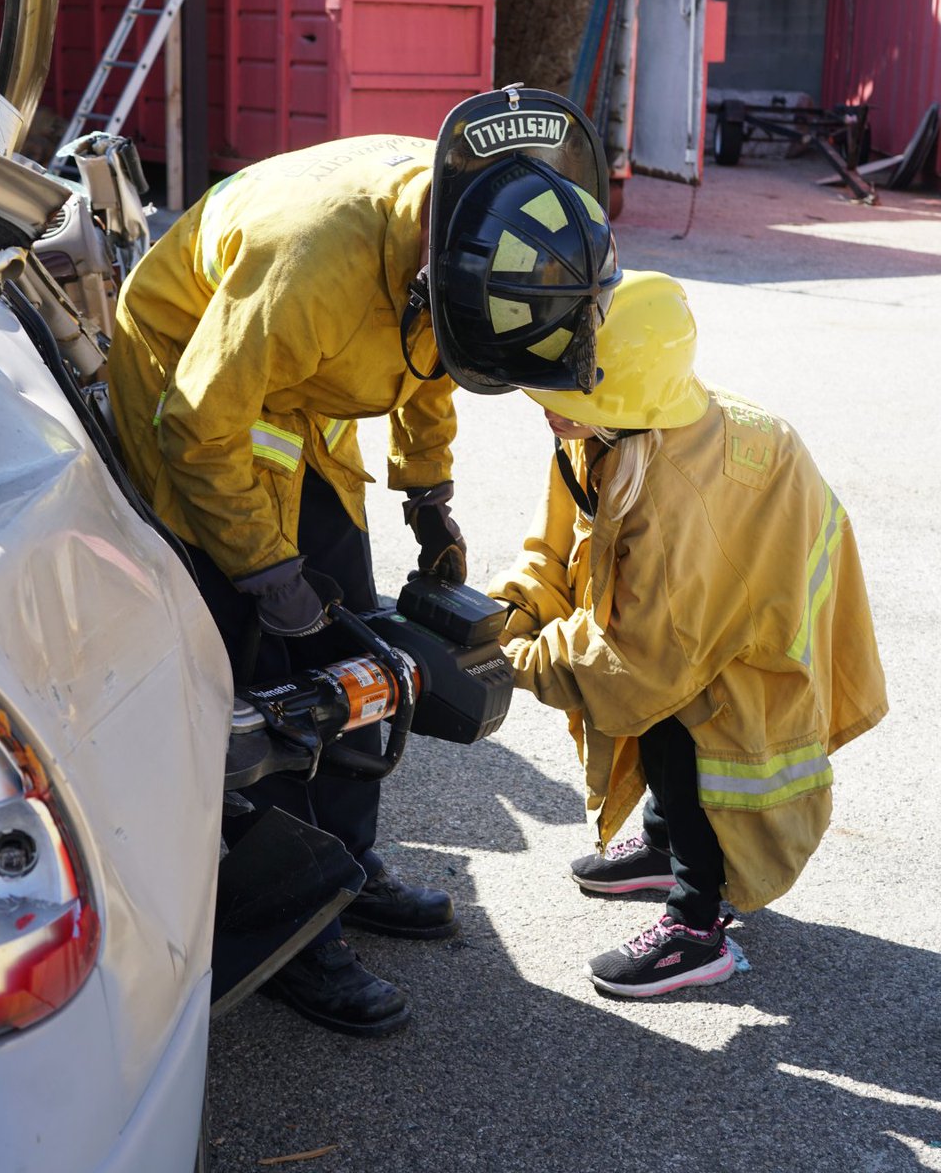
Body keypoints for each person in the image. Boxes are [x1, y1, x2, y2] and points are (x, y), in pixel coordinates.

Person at [105, 86, 621, 1035]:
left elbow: (433, 354)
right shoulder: (312, 265)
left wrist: (428, 497)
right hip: (196, 385)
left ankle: (346, 868)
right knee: (269, 679)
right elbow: (199, 425)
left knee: (355, 652)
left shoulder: (459, 225)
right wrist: (267, 574)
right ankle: (290, 929)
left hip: (302, 390)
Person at [488, 270, 888, 998]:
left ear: (620, 391)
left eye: (563, 396)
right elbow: (558, 545)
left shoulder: (673, 496)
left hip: (764, 601)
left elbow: (641, 661)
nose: (546, 409)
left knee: (690, 723)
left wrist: (514, 663)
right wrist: (500, 616)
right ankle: (667, 841)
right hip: (730, 575)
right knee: (671, 711)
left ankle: (696, 927)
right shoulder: (614, 424)